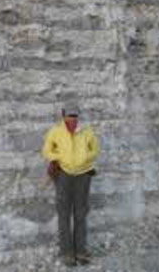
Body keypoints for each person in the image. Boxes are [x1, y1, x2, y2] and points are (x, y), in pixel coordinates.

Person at [42, 103, 100, 267]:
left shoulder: (86, 131)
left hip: (83, 175)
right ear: (63, 115)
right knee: (64, 214)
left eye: (74, 116)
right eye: (69, 115)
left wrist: (85, 158)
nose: (72, 118)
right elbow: (46, 150)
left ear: (78, 116)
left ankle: (81, 251)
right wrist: (58, 156)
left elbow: (95, 149)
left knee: (81, 214)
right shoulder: (55, 131)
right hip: (63, 175)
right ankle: (67, 253)